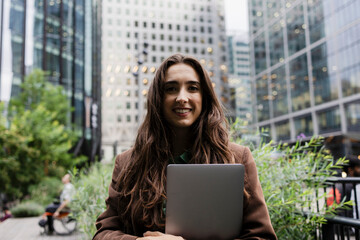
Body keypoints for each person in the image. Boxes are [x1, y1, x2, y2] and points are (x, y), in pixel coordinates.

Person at [93, 54, 277, 240]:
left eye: (193, 88)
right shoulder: (127, 162)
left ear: (204, 96)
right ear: (158, 98)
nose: (182, 97)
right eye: (171, 88)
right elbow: (103, 234)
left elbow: (262, 237)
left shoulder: (237, 157)